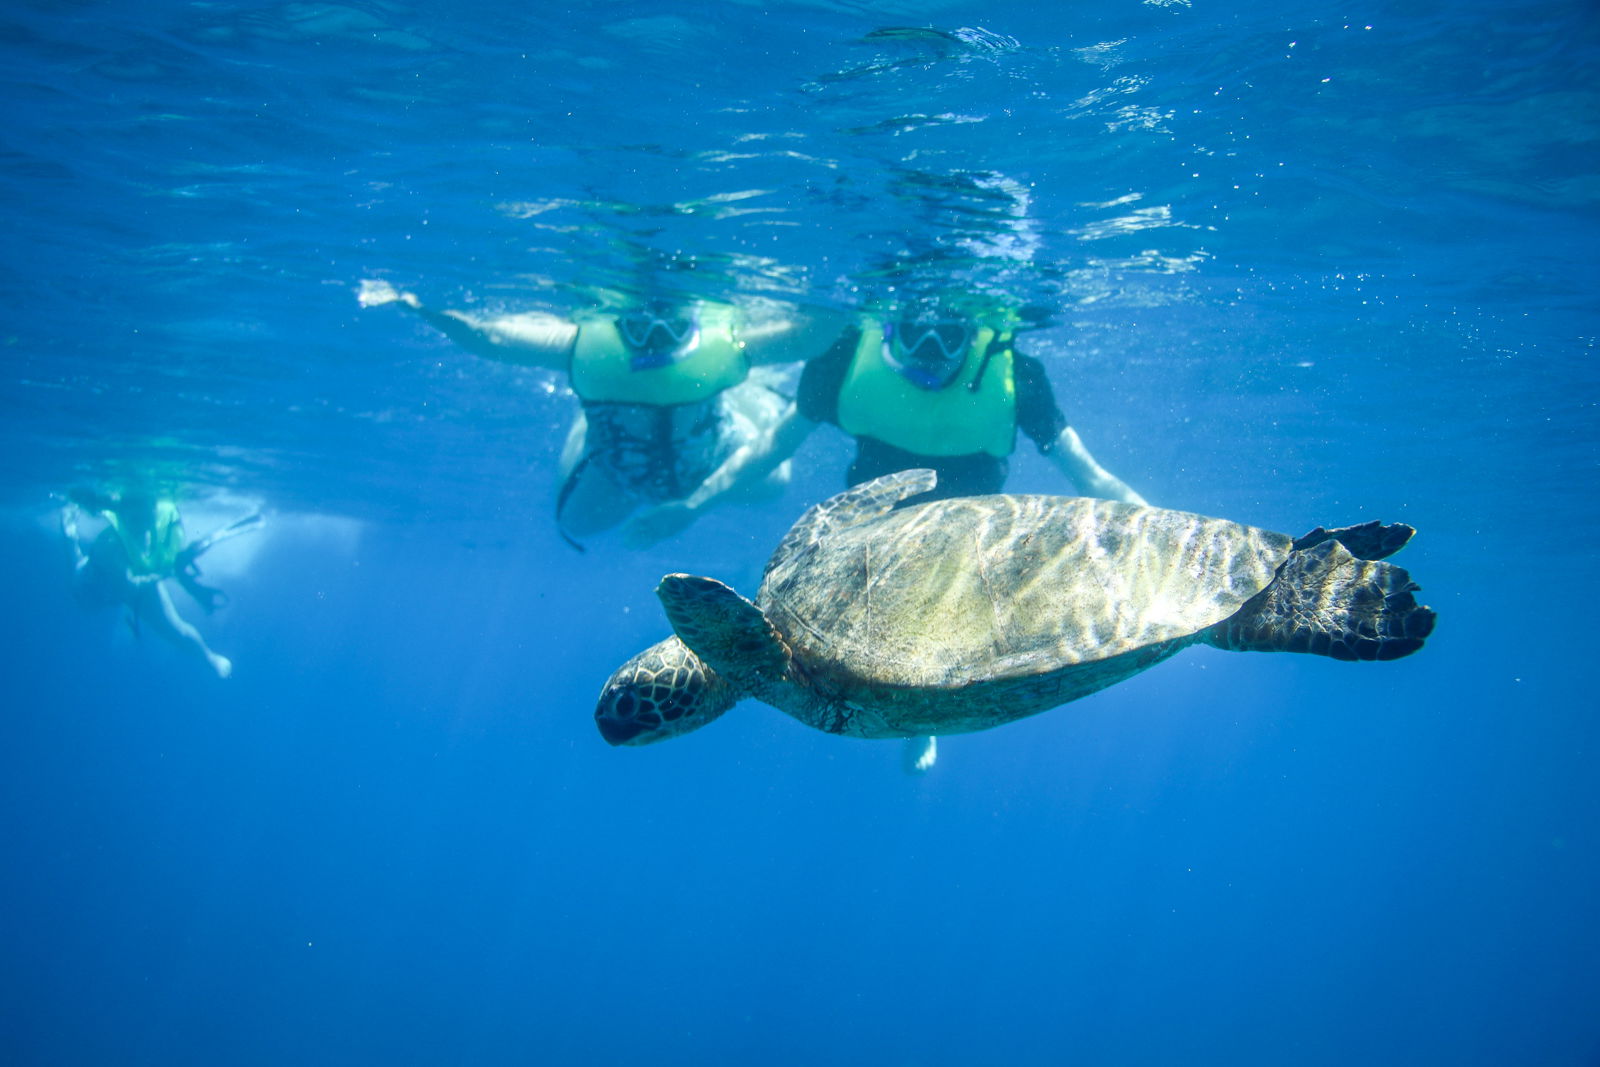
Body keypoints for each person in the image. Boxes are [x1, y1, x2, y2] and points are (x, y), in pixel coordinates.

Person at [358, 280, 839, 548]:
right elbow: (492, 338)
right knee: (578, 525)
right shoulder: (583, 347)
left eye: (669, 326)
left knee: (775, 484)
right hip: (620, 469)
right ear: (613, 321)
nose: (652, 335)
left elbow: (808, 338)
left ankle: (744, 394)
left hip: (713, 451)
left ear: (693, 321)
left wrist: (857, 310)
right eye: (637, 324)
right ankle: (587, 417)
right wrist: (419, 307)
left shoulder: (728, 346)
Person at [623, 303, 1147, 547]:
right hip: (869, 529)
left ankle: (927, 720)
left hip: (972, 534)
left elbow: (1091, 477)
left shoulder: (1018, 378)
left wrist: (1157, 533)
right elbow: (772, 447)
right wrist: (692, 507)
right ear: (889, 326)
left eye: (950, 335)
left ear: (976, 332)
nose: (932, 352)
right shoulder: (843, 360)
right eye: (917, 333)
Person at [62, 489, 261, 679]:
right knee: (174, 630)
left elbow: (73, 546)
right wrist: (163, 574)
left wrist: (69, 524)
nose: (145, 522)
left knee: (176, 630)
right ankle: (210, 658)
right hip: (129, 582)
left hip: (132, 574)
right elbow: (130, 585)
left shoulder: (92, 565)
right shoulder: (108, 565)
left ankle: (210, 658)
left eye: (148, 516)